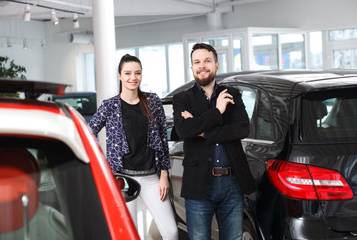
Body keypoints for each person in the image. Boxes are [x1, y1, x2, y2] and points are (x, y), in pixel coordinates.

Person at [88, 54, 178, 240]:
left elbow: (162, 139)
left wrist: (163, 175)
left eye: (137, 73)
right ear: (120, 76)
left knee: (171, 232)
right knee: (129, 235)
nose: (133, 77)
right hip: (123, 179)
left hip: (152, 178)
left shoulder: (153, 102)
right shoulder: (110, 106)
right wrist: (100, 164)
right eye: (127, 73)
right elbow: (88, 132)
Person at [172, 43, 256, 240]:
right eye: (197, 62)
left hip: (232, 182)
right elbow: (184, 130)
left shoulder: (231, 95)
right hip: (198, 183)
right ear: (192, 68)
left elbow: (242, 129)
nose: (202, 66)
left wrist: (203, 132)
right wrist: (217, 111)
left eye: (207, 61)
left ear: (216, 65)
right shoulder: (182, 99)